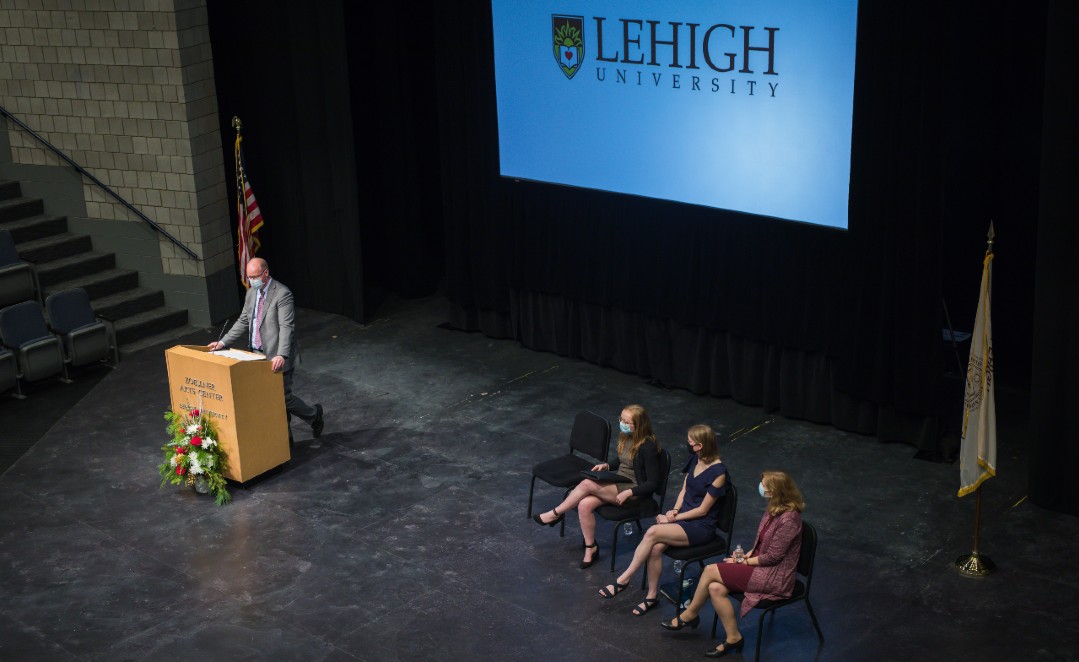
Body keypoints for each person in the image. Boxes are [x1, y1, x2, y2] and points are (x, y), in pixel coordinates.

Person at [660, 470, 804, 659]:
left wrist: (742, 562)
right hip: (761, 566)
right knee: (715, 588)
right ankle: (734, 637)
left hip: (775, 576)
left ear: (776, 491)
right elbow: (760, 545)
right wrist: (745, 556)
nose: (762, 489)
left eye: (766, 487)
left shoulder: (789, 519)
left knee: (710, 570)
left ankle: (689, 614)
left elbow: (773, 558)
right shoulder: (773, 509)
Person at [598, 424, 728, 616]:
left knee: (652, 532)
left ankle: (624, 579)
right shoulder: (695, 459)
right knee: (656, 548)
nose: (687, 444)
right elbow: (685, 490)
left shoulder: (719, 473)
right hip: (682, 518)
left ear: (700, 445)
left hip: (701, 526)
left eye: (690, 442)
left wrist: (673, 518)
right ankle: (652, 596)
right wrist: (674, 511)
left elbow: (702, 510)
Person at [208, 257, 324, 443]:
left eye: (254, 276)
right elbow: (243, 321)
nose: (251, 280)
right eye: (248, 277)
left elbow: (287, 327)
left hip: (277, 356)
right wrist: (222, 342)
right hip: (255, 356)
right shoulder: (251, 294)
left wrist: (282, 354)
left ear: (265, 274)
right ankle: (286, 438)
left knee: (282, 398)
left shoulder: (282, 294)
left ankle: (314, 414)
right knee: (270, 399)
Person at [533, 404, 662, 571]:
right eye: (621, 419)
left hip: (635, 492)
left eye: (626, 421)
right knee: (584, 504)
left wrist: (630, 492)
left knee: (587, 484)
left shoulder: (647, 447)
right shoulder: (627, 437)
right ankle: (591, 547)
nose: (621, 423)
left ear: (638, 425)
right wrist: (607, 466)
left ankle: (555, 514)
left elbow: (652, 483)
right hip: (620, 481)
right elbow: (623, 460)